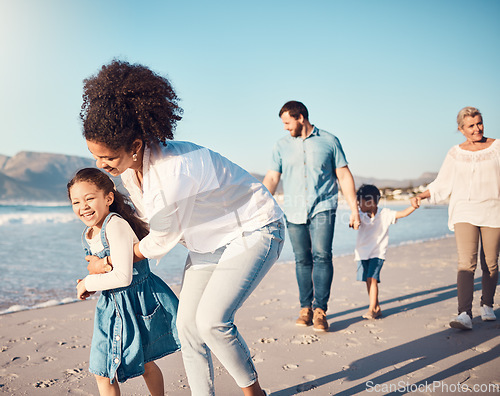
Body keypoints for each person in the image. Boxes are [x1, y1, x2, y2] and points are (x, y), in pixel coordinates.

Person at [80, 60, 284, 396]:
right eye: (95, 157)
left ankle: (254, 393)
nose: (102, 166)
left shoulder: (171, 171)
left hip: (256, 228)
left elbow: (160, 238)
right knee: (187, 326)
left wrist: (118, 258)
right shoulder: (132, 171)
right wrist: (106, 254)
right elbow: (146, 225)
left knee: (212, 322)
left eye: (109, 159)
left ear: (134, 146)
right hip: (209, 243)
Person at [68, 167, 180, 396]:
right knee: (103, 370)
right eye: (76, 202)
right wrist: (94, 277)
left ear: (108, 198)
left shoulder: (115, 224)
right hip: (111, 307)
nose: (83, 207)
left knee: (146, 363)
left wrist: (88, 283)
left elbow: (123, 276)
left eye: (90, 199)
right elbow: (108, 270)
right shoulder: (89, 233)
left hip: (136, 302)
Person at [263, 100, 360, 332]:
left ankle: (320, 310)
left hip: (323, 207)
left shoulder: (330, 141)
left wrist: (354, 209)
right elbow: (272, 179)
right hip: (294, 210)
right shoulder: (281, 146)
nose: (285, 128)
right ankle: (305, 308)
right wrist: (257, 206)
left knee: (322, 255)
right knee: (302, 259)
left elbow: (344, 176)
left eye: (288, 122)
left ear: (301, 117)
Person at [412, 106, 500, 330]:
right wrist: (421, 195)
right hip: (464, 211)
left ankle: (487, 304)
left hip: (493, 209)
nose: (477, 129)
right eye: (471, 126)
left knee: (490, 263)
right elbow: (442, 183)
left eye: (479, 123)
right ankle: (464, 314)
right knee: (466, 263)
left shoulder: (497, 147)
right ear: (461, 129)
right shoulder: (455, 153)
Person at [355, 184, 419, 319]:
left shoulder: (385, 214)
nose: (358, 204)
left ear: (370, 202)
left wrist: (413, 206)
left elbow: (402, 213)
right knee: (368, 280)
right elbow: (353, 222)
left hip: (377, 253)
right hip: (362, 253)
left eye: (360, 201)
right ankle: (376, 307)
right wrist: (353, 222)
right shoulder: (359, 214)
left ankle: (372, 308)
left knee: (372, 278)